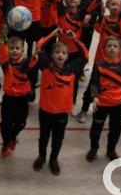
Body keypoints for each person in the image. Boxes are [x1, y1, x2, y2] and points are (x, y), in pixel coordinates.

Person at [33, 29, 88, 175]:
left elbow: (85, 56)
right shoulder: (45, 67)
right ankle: (42, 156)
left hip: (62, 113)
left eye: (63, 53)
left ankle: (53, 159)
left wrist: (75, 39)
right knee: (43, 137)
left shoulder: (72, 69)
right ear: (51, 55)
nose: (60, 54)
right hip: (45, 111)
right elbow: (37, 47)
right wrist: (52, 35)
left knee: (58, 138)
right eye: (57, 52)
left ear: (67, 56)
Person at [77, 0, 121, 122]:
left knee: (111, 87)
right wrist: (99, 14)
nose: (114, 7)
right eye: (112, 4)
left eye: (117, 5)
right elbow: (97, 28)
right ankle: (84, 109)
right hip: (100, 60)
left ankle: (109, 110)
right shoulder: (104, 20)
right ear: (107, 5)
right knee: (92, 86)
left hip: (115, 63)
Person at [86, 36, 121, 162]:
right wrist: (94, 97)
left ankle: (111, 149)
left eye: (115, 46)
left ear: (119, 49)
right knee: (96, 129)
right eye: (109, 46)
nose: (112, 48)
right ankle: (93, 148)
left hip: (117, 105)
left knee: (115, 130)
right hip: (102, 104)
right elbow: (94, 83)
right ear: (104, 48)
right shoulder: (99, 65)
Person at [0, 36, 38, 159]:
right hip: (9, 99)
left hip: (22, 99)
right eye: (11, 48)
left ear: (22, 50)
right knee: (6, 124)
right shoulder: (6, 63)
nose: (14, 51)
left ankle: (12, 138)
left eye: (17, 48)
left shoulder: (27, 62)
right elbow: (1, 49)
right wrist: (4, 35)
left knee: (21, 123)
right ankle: (5, 143)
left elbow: (37, 53)